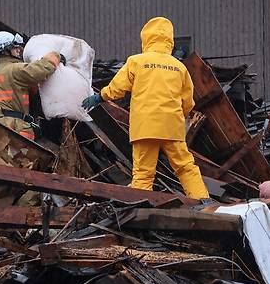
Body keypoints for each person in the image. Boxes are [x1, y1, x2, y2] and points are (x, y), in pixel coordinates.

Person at [82, 17, 209, 200]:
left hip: (145, 127)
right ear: (170, 41)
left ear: (146, 38)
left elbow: (118, 88)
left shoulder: (136, 61)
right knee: (185, 167)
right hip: (171, 127)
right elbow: (187, 101)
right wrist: (180, 115)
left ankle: (141, 204)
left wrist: (100, 97)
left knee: (143, 172)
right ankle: (202, 201)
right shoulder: (179, 67)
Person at [0, 31, 63, 140]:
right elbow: (40, 70)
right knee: (22, 156)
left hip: (3, 123)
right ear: (5, 51)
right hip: (15, 126)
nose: (19, 50)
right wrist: (56, 56)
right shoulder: (14, 69)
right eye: (15, 48)